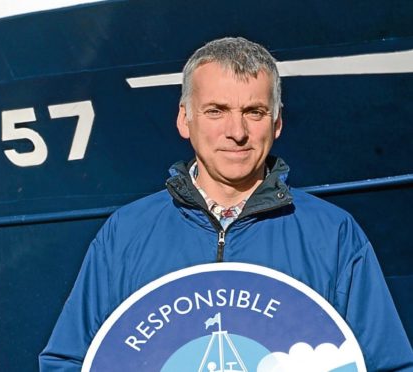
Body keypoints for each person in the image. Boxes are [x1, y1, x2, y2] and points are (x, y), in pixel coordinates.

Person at [39, 37, 413, 371]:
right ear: (185, 120)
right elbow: (70, 361)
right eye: (216, 111)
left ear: (277, 123)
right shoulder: (126, 234)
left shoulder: (333, 235)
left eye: (254, 112)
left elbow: (389, 365)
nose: (237, 132)